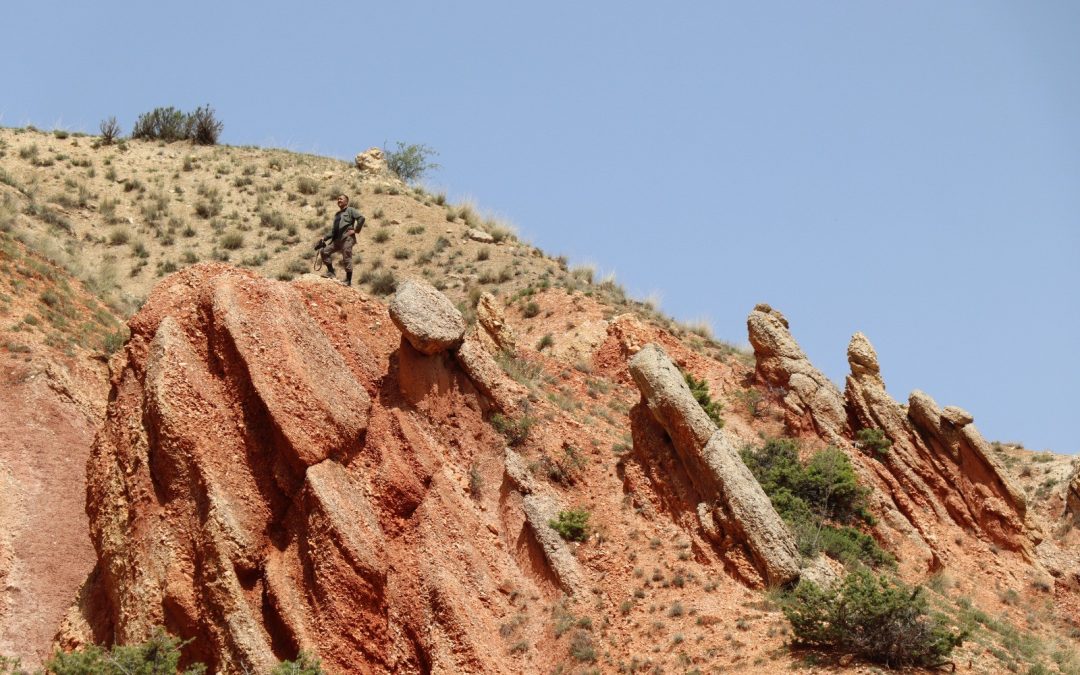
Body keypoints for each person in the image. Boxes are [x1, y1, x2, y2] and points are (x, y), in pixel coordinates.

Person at [317, 194, 365, 285]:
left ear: (346, 201)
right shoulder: (337, 214)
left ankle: (348, 280)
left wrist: (356, 230)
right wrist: (324, 238)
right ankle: (331, 272)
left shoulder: (350, 210)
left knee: (347, 257)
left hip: (347, 238)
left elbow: (361, 218)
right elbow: (333, 231)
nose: (339, 200)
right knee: (324, 251)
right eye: (338, 199)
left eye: (341, 199)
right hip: (337, 240)